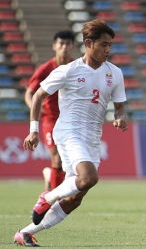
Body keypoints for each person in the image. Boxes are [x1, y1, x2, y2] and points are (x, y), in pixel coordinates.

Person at [14, 19, 128, 247]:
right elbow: (37, 95)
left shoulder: (115, 74)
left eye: (110, 45)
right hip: (68, 133)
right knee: (89, 178)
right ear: (88, 43)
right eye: (103, 44)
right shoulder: (68, 71)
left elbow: (119, 107)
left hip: (92, 138)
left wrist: (120, 117)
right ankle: (47, 197)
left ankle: (24, 233)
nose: (108, 49)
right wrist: (33, 131)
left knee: (76, 198)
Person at [25, 30, 75, 192]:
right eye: (61, 44)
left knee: (68, 164)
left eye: (68, 44)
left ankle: (49, 177)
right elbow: (30, 92)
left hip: (70, 120)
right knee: (58, 160)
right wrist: (34, 107)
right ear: (54, 46)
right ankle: (51, 199)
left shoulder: (76, 67)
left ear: (73, 46)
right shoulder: (46, 69)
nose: (64, 47)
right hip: (51, 120)